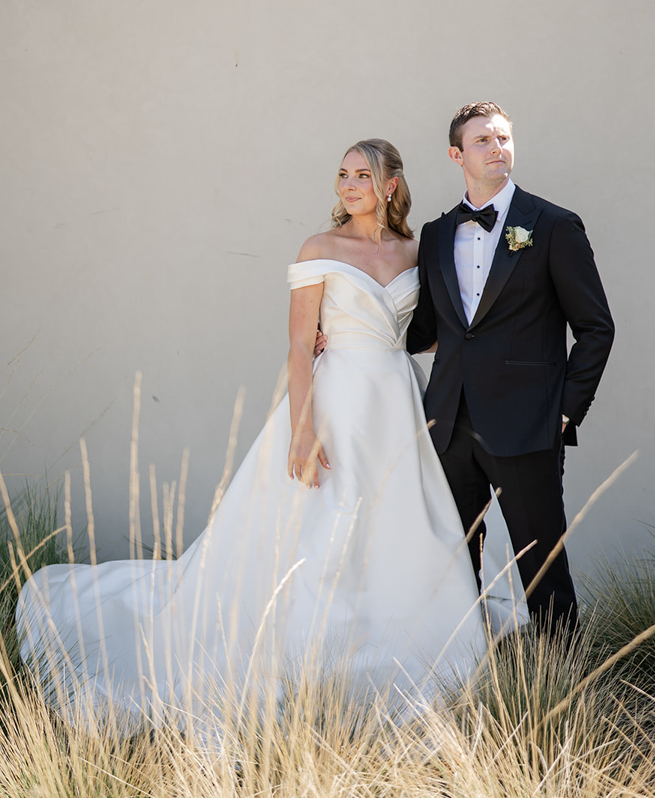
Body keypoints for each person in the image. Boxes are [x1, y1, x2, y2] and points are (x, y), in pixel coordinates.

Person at [16, 139, 486, 730]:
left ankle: (394, 649)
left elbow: (429, 332)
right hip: (336, 399)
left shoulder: (416, 251)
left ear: (390, 184)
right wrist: (301, 430)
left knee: (397, 523)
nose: (347, 184)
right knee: (323, 529)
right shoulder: (320, 248)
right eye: (342, 174)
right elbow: (297, 345)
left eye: (362, 175)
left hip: (396, 399)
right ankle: (312, 665)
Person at [406, 102, 615, 634]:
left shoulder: (552, 225)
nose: (497, 147)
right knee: (451, 565)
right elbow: (425, 332)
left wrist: (565, 412)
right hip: (448, 425)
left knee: (542, 567)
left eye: (503, 138)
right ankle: (461, 670)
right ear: (457, 155)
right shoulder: (434, 234)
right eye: (483, 141)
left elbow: (596, 328)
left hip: (529, 424)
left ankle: (562, 682)